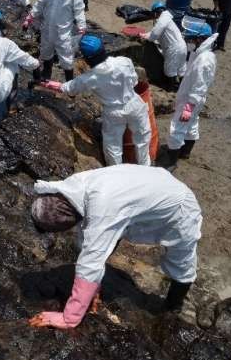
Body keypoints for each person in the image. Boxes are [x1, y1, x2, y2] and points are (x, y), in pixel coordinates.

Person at [27, 164, 203, 329]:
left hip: (178, 204)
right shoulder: (70, 189)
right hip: (148, 185)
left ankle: (173, 306)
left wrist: (69, 318)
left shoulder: (102, 207)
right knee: (103, 240)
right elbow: (87, 237)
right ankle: (92, 289)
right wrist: (92, 288)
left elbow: (91, 260)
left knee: (181, 258)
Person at [41, 36, 152, 166]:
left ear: (87, 59)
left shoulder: (89, 78)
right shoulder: (124, 61)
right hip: (134, 104)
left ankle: (117, 174)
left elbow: (67, 88)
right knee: (143, 138)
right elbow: (134, 81)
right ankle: (146, 168)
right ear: (103, 49)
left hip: (113, 113)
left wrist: (45, 83)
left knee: (113, 147)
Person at [22, 0, 87, 82]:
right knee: (46, 52)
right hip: (47, 29)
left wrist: (82, 27)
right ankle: (47, 73)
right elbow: (39, 5)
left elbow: (79, 11)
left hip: (63, 33)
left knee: (66, 58)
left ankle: (69, 82)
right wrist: (29, 19)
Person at [165, 20, 218, 170]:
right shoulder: (204, 54)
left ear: (200, 39)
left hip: (190, 102)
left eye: (190, 39)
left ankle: (171, 163)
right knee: (192, 124)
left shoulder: (203, 60)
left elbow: (199, 86)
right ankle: (185, 153)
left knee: (177, 128)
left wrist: (188, 107)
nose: (188, 42)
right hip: (195, 101)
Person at [125, 1, 186, 90]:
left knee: (170, 68)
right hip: (182, 46)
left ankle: (171, 87)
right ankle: (182, 86)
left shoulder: (162, 19)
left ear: (156, 12)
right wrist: (144, 35)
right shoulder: (167, 18)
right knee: (181, 67)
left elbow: (154, 35)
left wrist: (146, 37)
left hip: (174, 48)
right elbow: (156, 33)